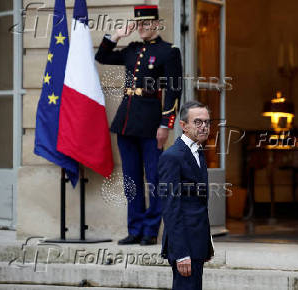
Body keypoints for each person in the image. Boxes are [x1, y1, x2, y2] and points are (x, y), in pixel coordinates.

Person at [95, 5, 182, 245]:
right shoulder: (132, 49)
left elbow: (175, 90)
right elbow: (101, 56)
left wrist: (166, 124)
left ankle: (151, 230)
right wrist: (117, 35)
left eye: (146, 24)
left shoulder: (169, 51)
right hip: (126, 122)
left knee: (154, 178)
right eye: (138, 24)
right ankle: (134, 229)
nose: (142, 28)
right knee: (131, 179)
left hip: (152, 123)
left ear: (156, 24)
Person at [158, 101, 214, 290]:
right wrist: (181, 253)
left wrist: (207, 244)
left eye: (207, 122)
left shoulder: (198, 152)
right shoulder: (172, 156)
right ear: (183, 125)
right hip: (184, 247)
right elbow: (170, 208)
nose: (204, 126)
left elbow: (199, 204)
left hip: (197, 243)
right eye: (198, 122)